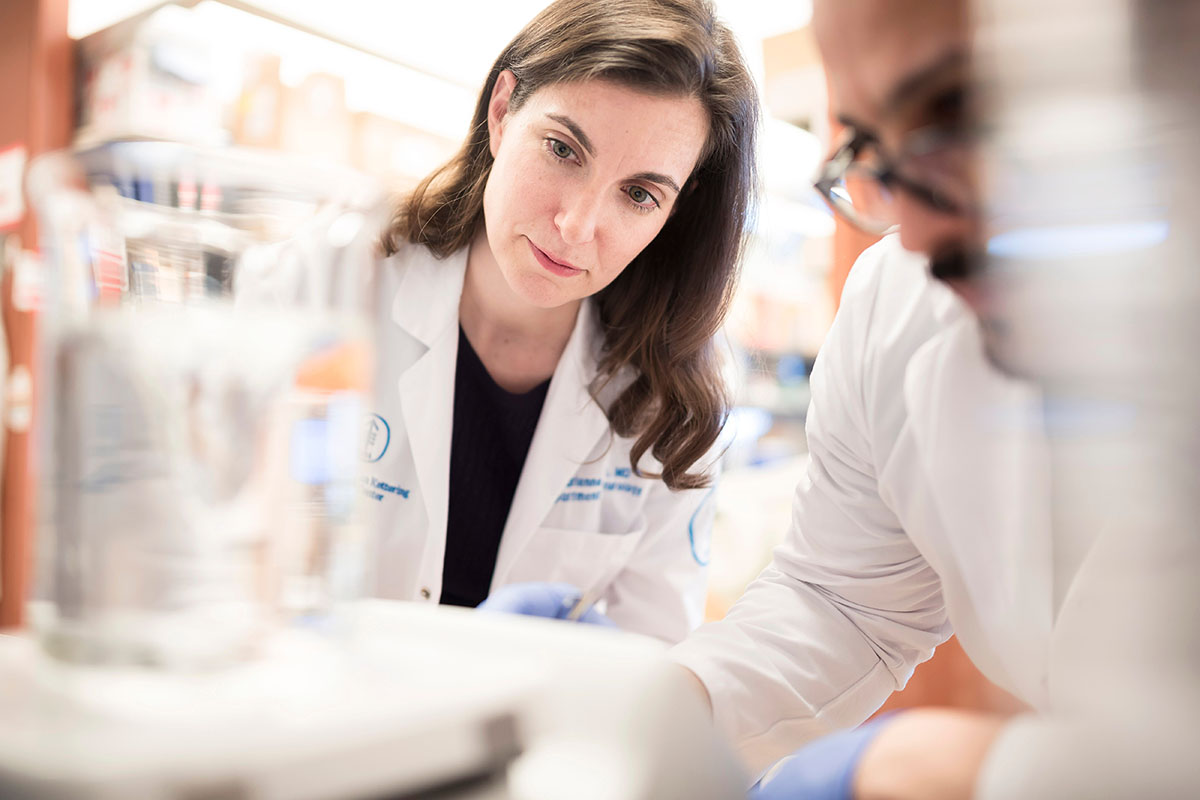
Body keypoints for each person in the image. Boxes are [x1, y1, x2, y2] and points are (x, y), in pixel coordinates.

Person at [494, 0, 1200, 797]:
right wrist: (656, 705)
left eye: (954, 112)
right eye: (876, 146)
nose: (920, 238)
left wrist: (979, 771)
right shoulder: (898, 303)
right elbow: (841, 598)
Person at [357, 0, 758, 644]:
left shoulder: (672, 407)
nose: (576, 226)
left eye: (638, 194)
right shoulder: (335, 282)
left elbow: (650, 660)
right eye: (563, 150)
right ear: (501, 111)